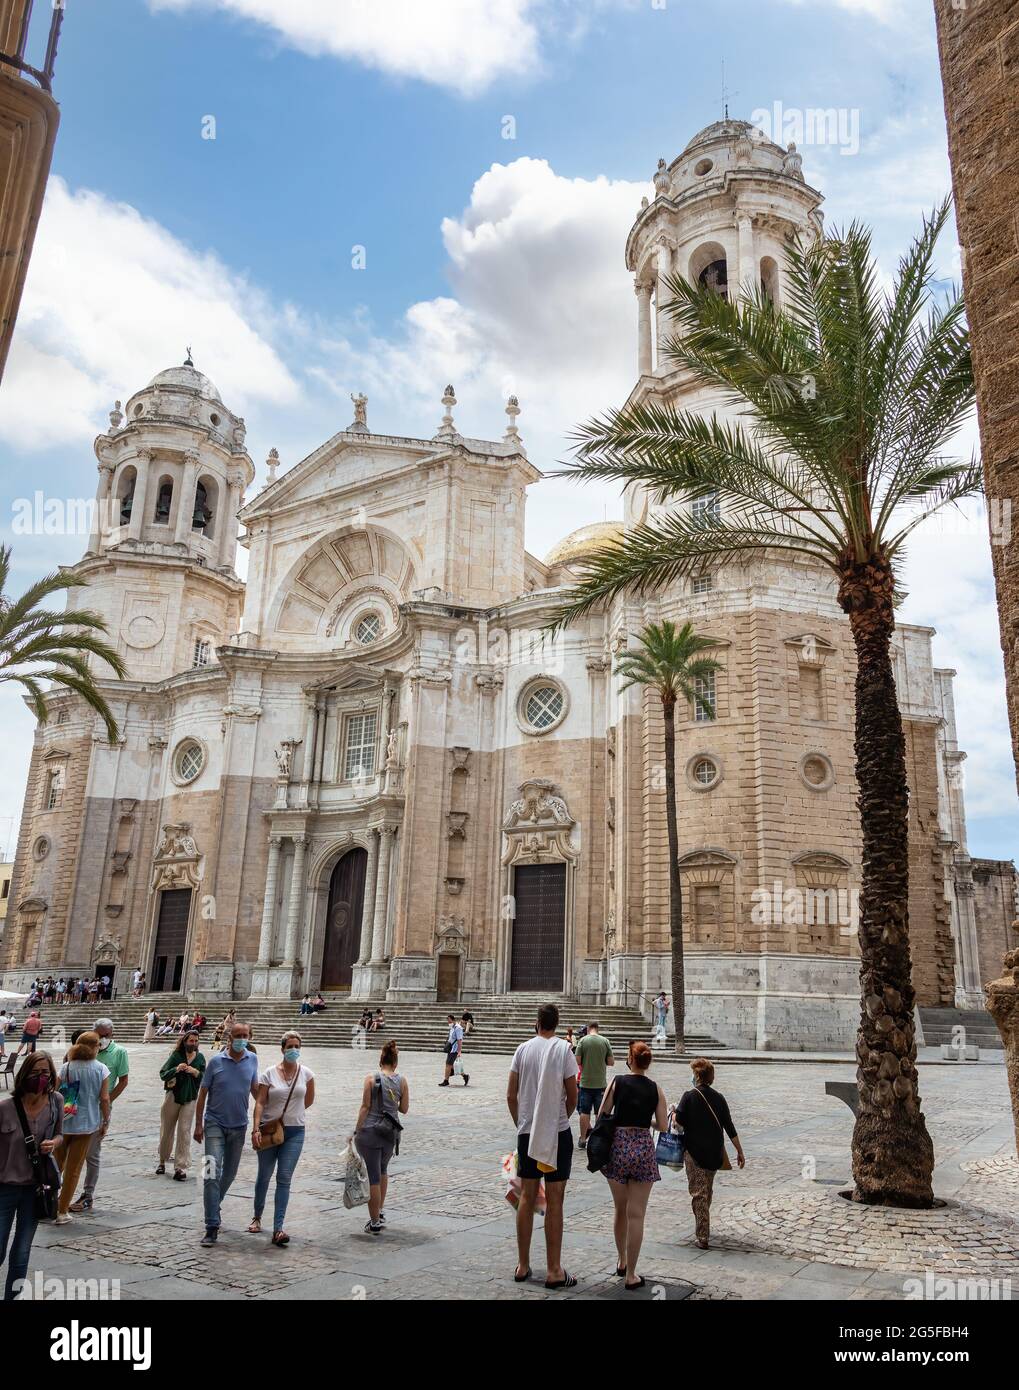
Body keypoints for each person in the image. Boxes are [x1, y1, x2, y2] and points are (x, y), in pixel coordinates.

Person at [506, 1002, 579, 1290]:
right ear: (556, 1023)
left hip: (527, 1133)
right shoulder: (564, 1049)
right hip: (556, 1133)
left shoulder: (522, 1050)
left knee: (527, 1196)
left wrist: (523, 1125)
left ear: (537, 1023)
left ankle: (523, 1265)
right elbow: (573, 1095)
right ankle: (554, 1271)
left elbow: (510, 1095)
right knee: (556, 1200)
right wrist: (558, 1120)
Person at [597, 1040, 667, 1289]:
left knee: (620, 1209)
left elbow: (602, 1114)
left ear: (630, 1058)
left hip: (618, 1146)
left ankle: (621, 1260)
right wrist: (646, 1123)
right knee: (636, 1214)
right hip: (643, 1148)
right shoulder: (656, 1088)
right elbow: (663, 1125)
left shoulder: (617, 1082)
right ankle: (632, 1275)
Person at [0, 1050, 63, 1300]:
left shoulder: (56, 1101)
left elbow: (60, 1133)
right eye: (35, 1072)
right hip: (4, 1186)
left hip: (35, 1188)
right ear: (25, 1074)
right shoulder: (5, 1107)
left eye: (45, 1072)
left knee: (22, 1251)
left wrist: (54, 1143)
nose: (40, 1077)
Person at [194, 1020, 259, 1247]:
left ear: (249, 1037)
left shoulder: (253, 1059)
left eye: (245, 1035)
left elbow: (255, 1090)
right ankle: (211, 1225)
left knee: (229, 1173)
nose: (242, 1038)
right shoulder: (215, 1061)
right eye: (237, 1035)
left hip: (239, 1127)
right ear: (229, 1037)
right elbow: (202, 1093)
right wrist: (198, 1124)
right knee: (211, 1173)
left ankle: (214, 1204)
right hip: (214, 1125)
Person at [249, 1032, 315, 1246]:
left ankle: (278, 1229)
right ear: (282, 1049)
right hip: (269, 1130)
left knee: (284, 1178)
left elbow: (309, 1100)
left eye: (297, 1046)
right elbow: (260, 1102)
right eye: (290, 1046)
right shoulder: (269, 1074)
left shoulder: (307, 1074)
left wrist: (291, 1116)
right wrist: (256, 1128)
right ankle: (257, 1217)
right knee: (264, 1176)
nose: (294, 1050)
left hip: (295, 1131)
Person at [676, 1058, 746, 1249]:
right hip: (714, 1153)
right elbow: (729, 1127)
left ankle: (702, 1236)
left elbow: (678, 1124)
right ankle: (703, 1224)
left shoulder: (688, 1096)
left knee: (699, 1193)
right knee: (706, 1191)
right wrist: (739, 1150)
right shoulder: (719, 1097)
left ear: (697, 1075)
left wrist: (674, 1113)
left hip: (694, 1153)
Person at [66, 1017, 128, 1215]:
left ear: (111, 1035)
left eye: (104, 1036)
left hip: (99, 1110)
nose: (101, 1039)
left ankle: (87, 1195)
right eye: (98, 1035)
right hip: (73, 1110)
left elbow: (123, 1081)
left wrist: (108, 1101)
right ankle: (60, 1195)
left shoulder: (119, 1052)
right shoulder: (82, 1050)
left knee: (92, 1154)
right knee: (65, 1154)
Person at [354, 1039, 408, 1235]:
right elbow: (404, 1109)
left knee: (373, 1176)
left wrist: (355, 1130)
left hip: (369, 1131)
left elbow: (365, 1107)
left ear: (381, 1060)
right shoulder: (401, 1080)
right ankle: (380, 1210)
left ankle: (374, 1221)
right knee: (383, 1170)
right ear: (395, 1062)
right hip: (390, 1132)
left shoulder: (370, 1079)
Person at [55, 1032, 110, 1224]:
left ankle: (49, 1202)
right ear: (95, 1047)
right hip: (87, 1124)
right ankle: (62, 1211)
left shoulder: (66, 1067)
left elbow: (54, 1094)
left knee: (57, 1165)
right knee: (74, 1169)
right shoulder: (101, 1069)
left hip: (64, 1122)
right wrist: (106, 1121)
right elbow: (104, 1098)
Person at [158, 1030, 205, 1180]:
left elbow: (204, 1079)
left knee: (184, 1131)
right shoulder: (176, 1056)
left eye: (196, 1041)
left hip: (190, 1097)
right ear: (185, 1041)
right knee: (167, 1128)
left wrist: (195, 1072)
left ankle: (181, 1167)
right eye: (191, 1041)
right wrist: (176, 1069)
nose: (194, 1043)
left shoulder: (200, 1058)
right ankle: (162, 1160)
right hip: (173, 1096)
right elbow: (163, 1074)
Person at [574, 1022, 614, 1149]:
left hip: (585, 1083)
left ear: (588, 1029)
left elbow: (578, 1060)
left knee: (584, 1112)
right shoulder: (605, 1041)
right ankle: (598, 1139)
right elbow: (611, 1062)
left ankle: (582, 1138)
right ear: (597, 1029)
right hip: (601, 1083)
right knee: (599, 1112)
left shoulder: (583, 1041)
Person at [439, 1014, 468, 1087]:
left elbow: (459, 1040)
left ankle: (446, 1081)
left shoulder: (458, 1028)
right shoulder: (452, 1027)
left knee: (448, 1065)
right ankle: (465, 1076)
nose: (448, 1022)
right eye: (448, 1021)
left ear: (453, 1020)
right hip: (450, 1049)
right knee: (451, 1066)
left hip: (454, 1049)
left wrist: (459, 1051)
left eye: (449, 1021)